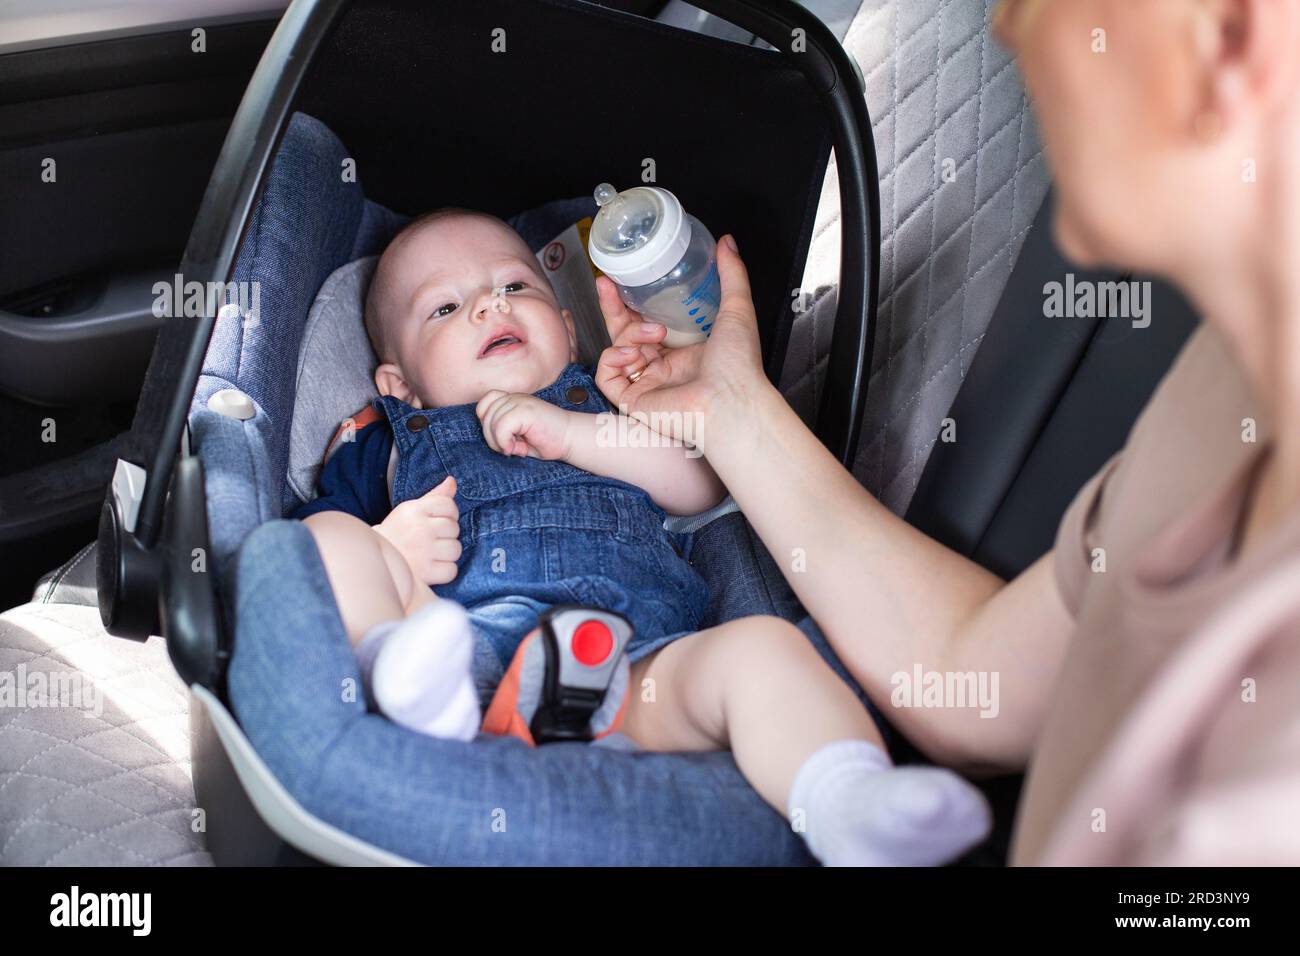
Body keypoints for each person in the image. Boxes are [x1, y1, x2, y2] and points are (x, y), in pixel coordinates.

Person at [596, 0, 1300, 865]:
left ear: (1235, 38)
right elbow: (977, 684)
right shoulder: (1224, 393)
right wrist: (730, 408)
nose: (1005, 28)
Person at [296, 208, 993, 867]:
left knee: (764, 651)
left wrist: (576, 434)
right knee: (327, 539)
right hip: (460, 648)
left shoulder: (610, 400)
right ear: (400, 384)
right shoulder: (383, 445)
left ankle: (847, 800)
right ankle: (409, 685)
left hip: (636, 669)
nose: (491, 305)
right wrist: (392, 546)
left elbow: (701, 486)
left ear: (568, 333)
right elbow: (313, 553)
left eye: (514, 285)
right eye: (445, 308)